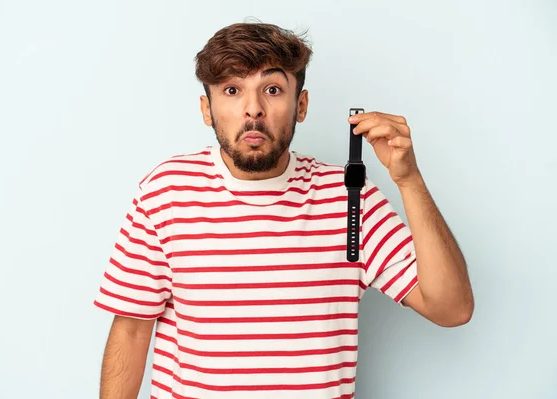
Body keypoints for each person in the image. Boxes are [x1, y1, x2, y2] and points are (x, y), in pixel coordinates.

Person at [93, 21, 474, 399]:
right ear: (207, 109)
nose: (253, 110)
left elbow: (452, 309)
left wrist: (409, 181)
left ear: (301, 105)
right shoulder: (166, 191)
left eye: (272, 90)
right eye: (232, 90)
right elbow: (131, 330)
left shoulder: (349, 196)